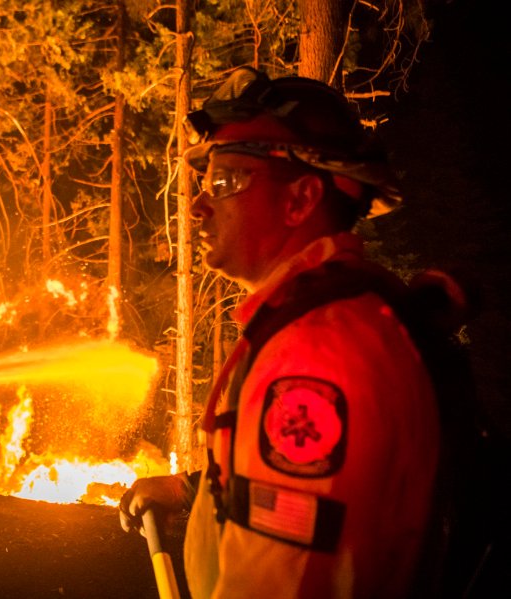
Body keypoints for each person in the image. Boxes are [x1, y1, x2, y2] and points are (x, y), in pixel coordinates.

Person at [119, 67, 440, 598]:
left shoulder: (315, 356)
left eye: (224, 182)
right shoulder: (322, 322)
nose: (198, 205)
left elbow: (285, 580)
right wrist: (194, 490)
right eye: (204, 184)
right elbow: (311, 501)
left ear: (300, 199)